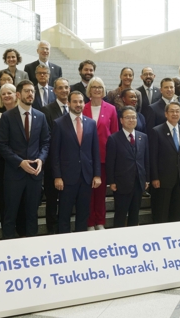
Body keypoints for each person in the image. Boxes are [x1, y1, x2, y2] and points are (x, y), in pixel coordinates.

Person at [0, 80, 50, 238]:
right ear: (18, 95)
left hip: (34, 174)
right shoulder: (7, 117)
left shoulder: (40, 116)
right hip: (14, 174)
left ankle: (31, 250)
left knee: (32, 214)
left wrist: (41, 159)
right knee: (10, 214)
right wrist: (20, 162)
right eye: (27, 91)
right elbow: (2, 145)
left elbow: (46, 142)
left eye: (32, 91)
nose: (30, 94)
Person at [51, 91, 101, 234]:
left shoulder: (91, 123)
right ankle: (64, 242)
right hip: (66, 178)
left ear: (84, 104)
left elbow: (95, 151)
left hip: (86, 176)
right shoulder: (59, 123)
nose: (78, 105)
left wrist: (97, 174)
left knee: (83, 213)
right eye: (75, 101)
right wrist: (57, 176)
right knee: (64, 214)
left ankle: (80, 243)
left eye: (80, 102)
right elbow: (54, 153)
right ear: (68, 103)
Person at [83, 77, 119, 230]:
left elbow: (115, 133)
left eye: (100, 87)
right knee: (88, 193)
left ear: (103, 90)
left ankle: (100, 222)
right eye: (94, 87)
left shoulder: (111, 109)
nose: (97, 89)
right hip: (86, 157)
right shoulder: (83, 108)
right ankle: (90, 222)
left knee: (100, 192)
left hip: (104, 157)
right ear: (89, 90)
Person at [106, 106, 150, 227]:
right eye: (128, 117)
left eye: (134, 117)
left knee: (135, 213)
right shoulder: (113, 138)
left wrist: (146, 179)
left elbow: (146, 159)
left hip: (138, 181)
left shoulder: (143, 137)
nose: (131, 120)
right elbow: (110, 162)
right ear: (121, 120)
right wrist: (111, 182)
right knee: (120, 213)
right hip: (121, 183)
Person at [150, 101, 180, 223]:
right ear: (166, 114)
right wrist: (155, 177)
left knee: (177, 212)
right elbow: (153, 157)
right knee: (162, 212)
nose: (175, 114)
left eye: (177, 111)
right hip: (163, 179)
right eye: (172, 111)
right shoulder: (157, 131)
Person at [41, 78, 70, 234]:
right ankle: (52, 230)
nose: (64, 90)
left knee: (67, 199)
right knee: (52, 200)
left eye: (66, 87)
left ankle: (64, 228)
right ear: (54, 91)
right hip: (53, 163)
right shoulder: (47, 110)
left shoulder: (74, 109)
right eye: (60, 88)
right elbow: (48, 137)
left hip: (71, 163)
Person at [0, 83, 18, 227]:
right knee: (5, 196)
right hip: (2, 162)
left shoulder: (22, 112)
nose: (6, 96)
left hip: (20, 162)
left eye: (9, 93)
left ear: (16, 95)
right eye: (3, 93)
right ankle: (7, 227)